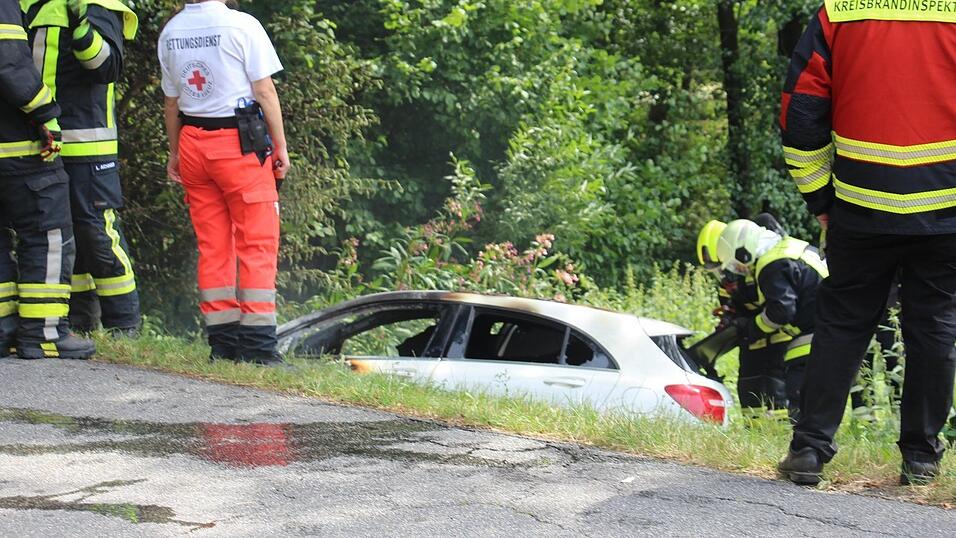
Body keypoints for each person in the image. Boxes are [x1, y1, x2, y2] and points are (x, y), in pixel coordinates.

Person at [778, 3, 956, 486]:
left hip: (859, 204)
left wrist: (819, 195)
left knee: (842, 324)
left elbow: (802, 111)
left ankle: (810, 449)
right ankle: (921, 460)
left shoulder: (840, 12)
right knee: (934, 325)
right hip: (944, 207)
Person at [159, 0, 289, 365]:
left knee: (214, 245)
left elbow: (172, 104)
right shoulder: (241, 25)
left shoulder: (171, 31)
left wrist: (174, 153)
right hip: (238, 145)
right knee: (257, 241)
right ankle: (259, 347)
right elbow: (264, 91)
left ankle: (224, 343)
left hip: (192, 143)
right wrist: (280, 145)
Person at [21, 0, 142, 335]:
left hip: (88, 143)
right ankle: (80, 322)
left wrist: (81, 25)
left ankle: (125, 325)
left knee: (96, 234)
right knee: (62, 235)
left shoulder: (98, 5)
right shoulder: (27, 4)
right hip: (41, 141)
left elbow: (107, 66)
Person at [0, 0, 94, 359]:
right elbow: (8, 60)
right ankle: (44, 333)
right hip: (16, 144)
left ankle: (5, 329)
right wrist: (45, 112)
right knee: (49, 233)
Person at [715, 219, 828, 421]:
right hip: (831, 322)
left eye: (736, 264)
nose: (740, 270)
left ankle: (805, 443)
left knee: (798, 387)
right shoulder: (784, 249)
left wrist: (750, 328)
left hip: (819, 328)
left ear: (744, 251)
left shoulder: (770, 264)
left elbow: (781, 312)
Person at [697, 219, 789, 419]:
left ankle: (784, 433)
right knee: (748, 386)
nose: (721, 274)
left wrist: (747, 325)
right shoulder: (727, 284)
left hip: (780, 337)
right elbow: (731, 311)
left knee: (778, 386)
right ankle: (753, 432)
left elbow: (778, 307)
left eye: (720, 267)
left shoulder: (759, 269)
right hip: (752, 339)